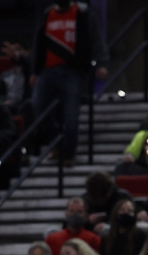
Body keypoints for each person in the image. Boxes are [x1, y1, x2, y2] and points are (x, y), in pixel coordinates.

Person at [30, 0, 108, 167]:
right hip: (48, 71)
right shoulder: (47, 14)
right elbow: (39, 42)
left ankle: (68, 153)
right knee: (37, 106)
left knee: (71, 116)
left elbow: (96, 37)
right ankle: (57, 143)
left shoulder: (83, 13)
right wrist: (35, 71)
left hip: (73, 71)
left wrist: (101, 63)